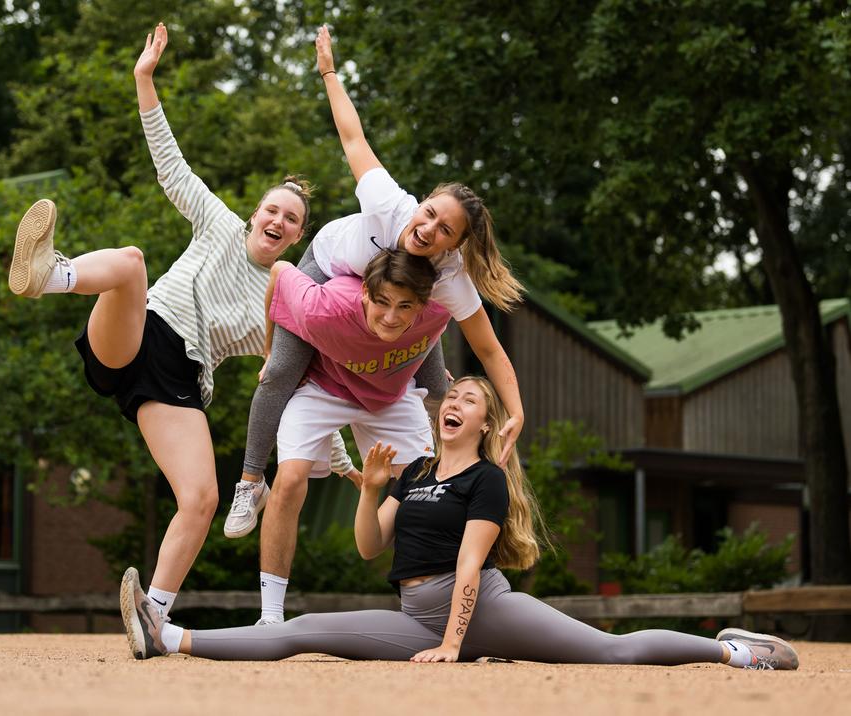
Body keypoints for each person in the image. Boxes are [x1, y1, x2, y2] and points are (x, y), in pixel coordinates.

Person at [7, 23, 357, 652]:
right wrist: (145, 78)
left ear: (298, 239)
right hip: (136, 334)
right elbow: (170, 163)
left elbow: (300, 384)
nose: (278, 220)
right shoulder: (218, 223)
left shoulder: (282, 305)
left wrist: (343, 461)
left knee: (202, 497)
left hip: (177, 383)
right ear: (255, 215)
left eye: (293, 220)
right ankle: (48, 275)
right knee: (132, 262)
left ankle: (152, 618)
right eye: (273, 210)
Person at [121, 376, 799, 671]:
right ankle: (167, 634)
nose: (453, 403)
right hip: (413, 613)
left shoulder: (485, 479)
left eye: (469, 400)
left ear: (483, 423)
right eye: (452, 396)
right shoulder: (415, 471)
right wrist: (371, 491)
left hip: (478, 612)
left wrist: (453, 645)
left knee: (609, 651)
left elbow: (472, 565)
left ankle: (740, 654)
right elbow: (367, 550)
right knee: (302, 631)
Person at [225, 25, 528, 539]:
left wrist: (515, 412)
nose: (427, 229)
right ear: (422, 202)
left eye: (443, 231)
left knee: (434, 377)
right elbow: (352, 135)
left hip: (397, 298)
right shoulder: (391, 206)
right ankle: (251, 480)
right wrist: (328, 71)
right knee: (281, 372)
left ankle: (439, 485)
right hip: (331, 268)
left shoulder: (451, 278)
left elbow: (491, 350)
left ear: (454, 245)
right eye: (430, 213)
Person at [255, 246, 451, 623]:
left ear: (422, 304)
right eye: (382, 303)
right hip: (324, 387)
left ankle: (434, 608)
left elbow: (462, 339)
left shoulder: (441, 308)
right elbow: (279, 274)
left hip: (391, 394)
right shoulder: (324, 306)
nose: (391, 318)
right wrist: (269, 353)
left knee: (426, 492)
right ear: (365, 293)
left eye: (405, 307)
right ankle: (270, 616)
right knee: (290, 477)